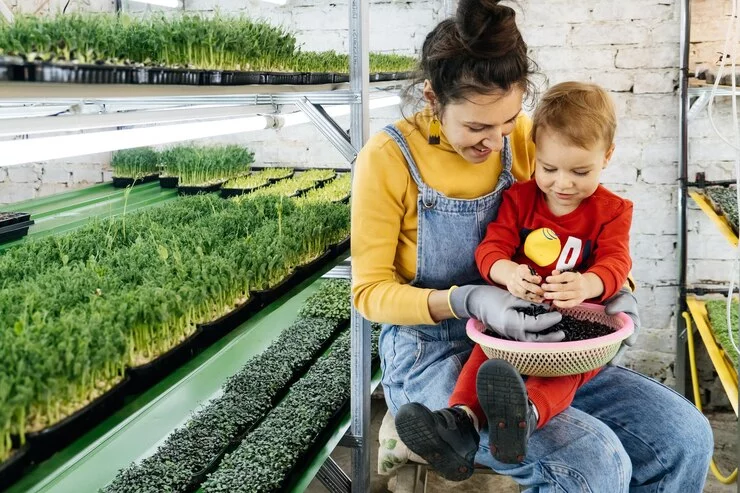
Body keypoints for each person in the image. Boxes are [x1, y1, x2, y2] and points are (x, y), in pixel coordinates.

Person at [351, 0, 714, 490]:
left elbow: (577, 230)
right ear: (432, 98)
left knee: (685, 435)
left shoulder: (524, 139)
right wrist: (467, 298)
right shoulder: (387, 159)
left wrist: (613, 286)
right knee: (595, 462)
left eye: (506, 123)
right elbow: (369, 295)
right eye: (477, 128)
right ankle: (459, 422)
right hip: (432, 352)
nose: (496, 143)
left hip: (532, 342)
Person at [395, 81, 636, 478]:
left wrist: (588, 285)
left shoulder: (612, 210)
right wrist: (507, 273)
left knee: (566, 372)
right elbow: (491, 249)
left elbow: (616, 260)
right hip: (516, 316)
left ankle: (525, 416)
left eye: (580, 171)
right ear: (535, 153)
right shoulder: (520, 199)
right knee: (485, 357)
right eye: (549, 168)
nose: (562, 184)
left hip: (575, 327)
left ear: (607, 157)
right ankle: (460, 422)